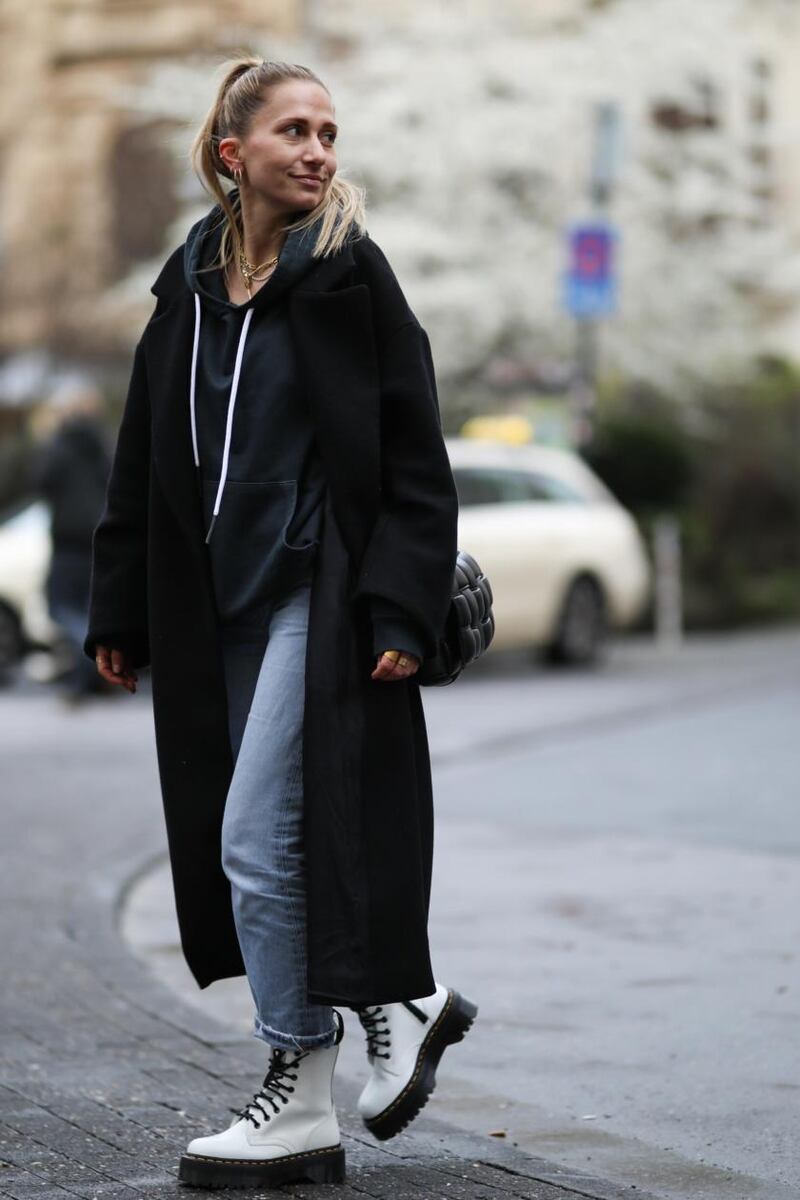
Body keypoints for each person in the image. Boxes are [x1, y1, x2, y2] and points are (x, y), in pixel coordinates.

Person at [84, 57, 477, 1190]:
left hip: (322, 585)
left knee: (258, 840)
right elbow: (145, 460)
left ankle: (365, 1013)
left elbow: (415, 456)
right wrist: (120, 601)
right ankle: (313, 1096)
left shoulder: (352, 279)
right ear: (230, 152)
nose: (317, 150)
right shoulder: (188, 294)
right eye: (293, 131)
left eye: (328, 132)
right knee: (270, 837)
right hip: (220, 605)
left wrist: (398, 598)